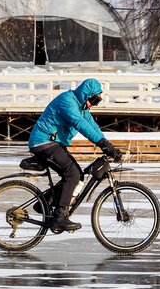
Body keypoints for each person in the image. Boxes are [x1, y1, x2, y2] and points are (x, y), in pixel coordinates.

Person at [28, 78, 122, 232]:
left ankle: (44, 203)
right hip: (43, 142)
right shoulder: (68, 101)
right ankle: (60, 217)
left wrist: (108, 145)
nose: (93, 104)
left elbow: (93, 126)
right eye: (93, 99)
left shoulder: (82, 107)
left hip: (53, 143)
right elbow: (80, 124)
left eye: (97, 101)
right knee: (72, 173)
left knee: (77, 174)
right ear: (86, 95)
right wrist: (102, 144)